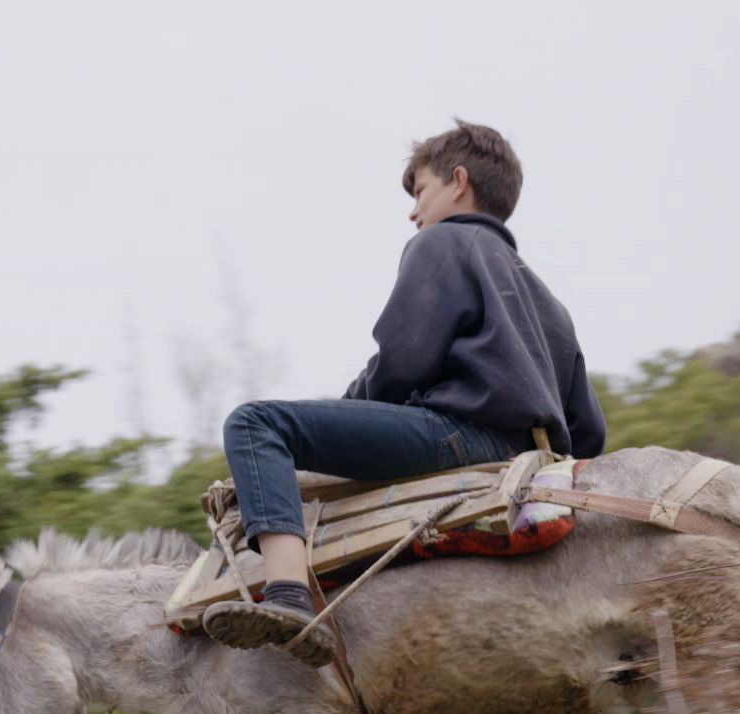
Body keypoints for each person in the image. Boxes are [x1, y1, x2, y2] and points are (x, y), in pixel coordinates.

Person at [204, 119, 606, 667]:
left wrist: (343, 418)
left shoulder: (440, 242)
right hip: (533, 458)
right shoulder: (549, 301)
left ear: (458, 181)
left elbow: (403, 360)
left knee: (256, 424)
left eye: (420, 191)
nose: (414, 211)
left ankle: (288, 597)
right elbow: (590, 429)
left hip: (458, 437)